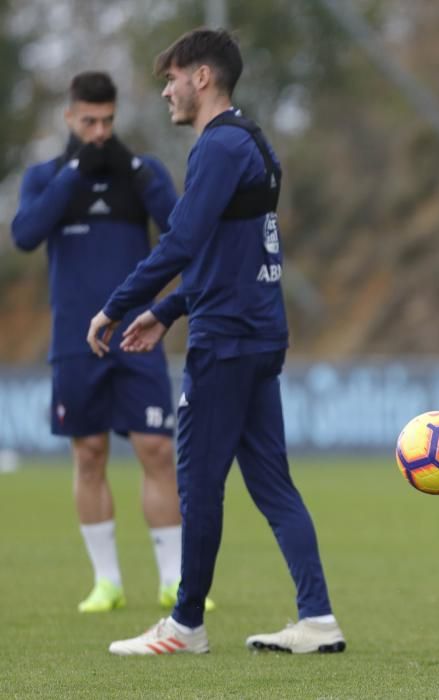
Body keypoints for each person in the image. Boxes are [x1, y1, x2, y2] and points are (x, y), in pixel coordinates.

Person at [86, 28, 345, 657]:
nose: (168, 90)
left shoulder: (218, 147)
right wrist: (169, 310)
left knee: (198, 485)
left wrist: (118, 306)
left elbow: (181, 242)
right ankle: (318, 619)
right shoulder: (253, 141)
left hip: (227, 340)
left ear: (202, 77)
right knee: (272, 484)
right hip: (256, 333)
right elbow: (227, 253)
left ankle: (185, 626)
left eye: (172, 78)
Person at [9, 71, 210, 614]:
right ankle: (107, 582)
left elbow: (182, 231)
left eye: (108, 121)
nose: (99, 131)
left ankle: (174, 580)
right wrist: (75, 174)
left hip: (135, 337)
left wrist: (138, 178)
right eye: (89, 121)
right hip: (76, 342)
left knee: (156, 449)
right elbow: (25, 234)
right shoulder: (48, 175)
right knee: (90, 452)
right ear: (70, 118)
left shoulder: (140, 172)